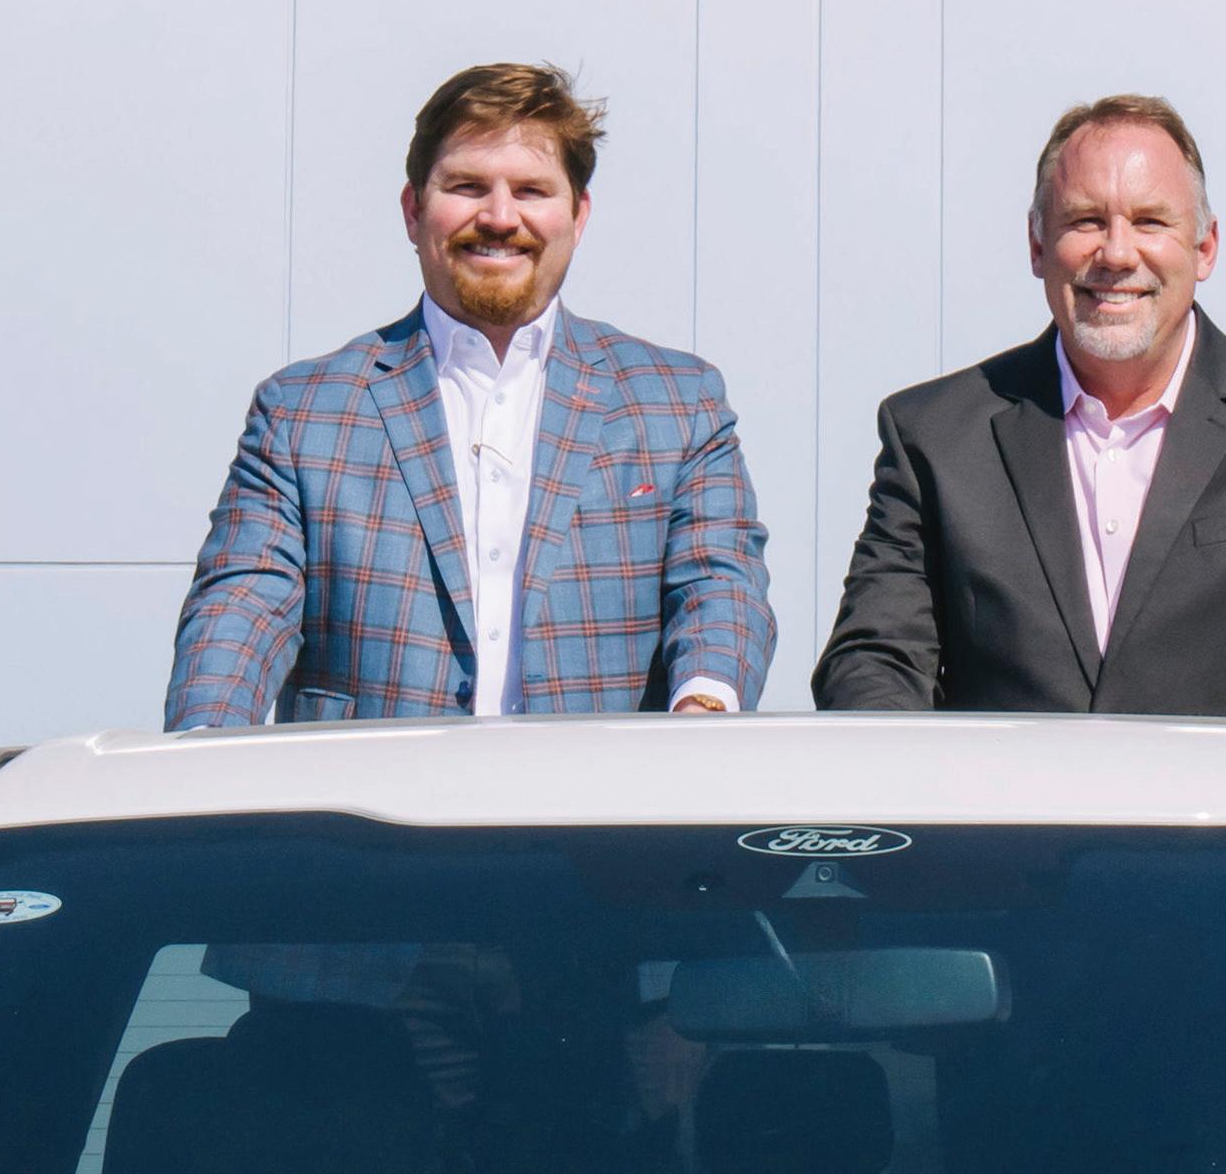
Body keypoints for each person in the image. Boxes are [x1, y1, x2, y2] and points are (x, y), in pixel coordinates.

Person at [168, 61, 773, 726]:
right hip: (376, 788)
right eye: (467, 187)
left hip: (600, 788)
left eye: (531, 190)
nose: (500, 217)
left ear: (578, 214)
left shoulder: (678, 403)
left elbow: (719, 586)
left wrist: (701, 711)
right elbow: (241, 609)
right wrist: (203, 747)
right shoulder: (301, 412)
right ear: (413, 210)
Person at [812, 95, 1226, 722]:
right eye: (1086, 221)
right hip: (1007, 791)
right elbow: (871, 660)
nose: (1116, 253)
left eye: (1149, 221)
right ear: (1037, 245)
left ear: (1205, 247)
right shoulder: (933, 437)